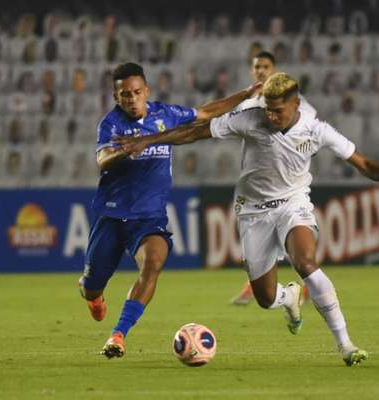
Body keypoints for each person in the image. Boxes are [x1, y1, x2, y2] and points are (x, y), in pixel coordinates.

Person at [115, 72, 379, 366]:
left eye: (277, 110)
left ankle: (346, 345)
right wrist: (148, 140)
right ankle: (288, 296)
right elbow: (197, 131)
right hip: (253, 212)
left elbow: (363, 164)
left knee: (306, 261)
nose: (270, 115)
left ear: (296, 104)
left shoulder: (316, 129)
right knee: (266, 298)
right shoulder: (251, 118)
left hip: (293, 205)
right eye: (267, 109)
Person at [79, 62, 261, 359]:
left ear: (146, 91)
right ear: (116, 97)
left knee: (153, 264)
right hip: (111, 217)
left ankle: (118, 334)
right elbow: (102, 160)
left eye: (137, 92)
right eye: (125, 94)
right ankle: (94, 296)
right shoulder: (110, 124)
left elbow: (206, 112)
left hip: (149, 219)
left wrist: (246, 93)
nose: (132, 99)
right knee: (90, 286)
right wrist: (127, 149)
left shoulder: (165, 115)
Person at [230, 50, 314, 306]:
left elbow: (308, 136)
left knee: (296, 244)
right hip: (258, 187)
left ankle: (309, 284)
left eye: (265, 66)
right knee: (260, 258)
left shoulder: (299, 105)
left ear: (274, 68)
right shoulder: (246, 106)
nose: (260, 71)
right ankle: (280, 292)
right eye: (256, 67)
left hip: (289, 186)